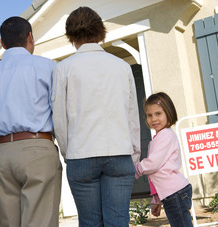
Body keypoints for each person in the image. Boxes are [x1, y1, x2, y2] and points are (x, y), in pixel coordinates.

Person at [52, 6, 141, 227]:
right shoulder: (122, 66)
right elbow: (132, 116)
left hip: (81, 153)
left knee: (90, 222)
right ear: (100, 31)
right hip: (120, 151)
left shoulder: (63, 69)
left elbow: (60, 120)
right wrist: (135, 153)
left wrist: (68, 152)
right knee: (118, 221)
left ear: (70, 35)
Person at [0, 16, 62, 227]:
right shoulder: (49, 68)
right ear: (30, 37)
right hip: (38, 148)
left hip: (1, 154)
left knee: (8, 222)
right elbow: (60, 114)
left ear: (3, 44)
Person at [134, 92, 193, 227]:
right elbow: (158, 173)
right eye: (150, 115)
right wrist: (157, 200)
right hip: (173, 192)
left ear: (168, 113)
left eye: (158, 114)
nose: (154, 119)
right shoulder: (160, 137)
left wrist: (136, 168)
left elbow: (153, 165)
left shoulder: (165, 135)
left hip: (175, 193)